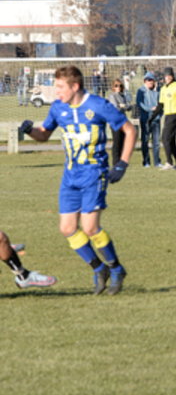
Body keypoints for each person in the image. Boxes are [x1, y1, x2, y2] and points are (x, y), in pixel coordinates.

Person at [19, 65, 136, 295]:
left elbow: (130, 130)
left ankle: (116, 268)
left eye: (60, 87)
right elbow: (44, 135)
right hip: (70, 176)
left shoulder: (98, 105)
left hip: (94, 173)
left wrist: (122, 163)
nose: (56, 91)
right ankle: (99, 268)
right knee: (67, 228)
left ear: (75, 86)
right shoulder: (58, 107)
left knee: (90, 227)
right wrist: (30, 130)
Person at [152, 67, 176, 170]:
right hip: (167, 116)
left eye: (170, 75)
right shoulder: (163, 89)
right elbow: (161, 105)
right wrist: (152, 117)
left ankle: (169, 162)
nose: (168, 77)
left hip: (175, 114)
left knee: (165, 138)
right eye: (166, 76)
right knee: (170, 140)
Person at [135, 72, 162, 168]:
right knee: (145, 141)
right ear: (145, 81)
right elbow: (139, 103)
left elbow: (161, 103)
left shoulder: (158, 90)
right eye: (148, 80)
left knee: (156, 142)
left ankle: (157, 162)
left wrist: (159, 113)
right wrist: (150, 109)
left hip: (156, 119)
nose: (150, 82)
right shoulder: (141, 90)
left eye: (151, 80)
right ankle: (146, 161)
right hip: (145, 119)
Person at [108, 78, 133, 166]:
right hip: (115, 121)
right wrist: (123, 106)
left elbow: (129, 107)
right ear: (113, 87)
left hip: (123, 121)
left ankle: (120, 161)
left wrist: (124, 106)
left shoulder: (123, 96)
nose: (118, 87)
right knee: (117, 141)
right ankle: (115, 162)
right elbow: (115, 107)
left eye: (120, 86)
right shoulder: (112, 96)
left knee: (122, 141)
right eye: (116, 86)